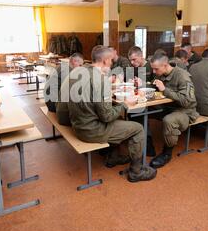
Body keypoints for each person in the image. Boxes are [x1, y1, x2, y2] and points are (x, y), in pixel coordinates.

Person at [66, 46, 156, 182]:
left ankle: (113, 156)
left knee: (118, 118)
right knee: (138, 129)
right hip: (90, 130)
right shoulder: (101, 82)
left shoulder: (78, 72)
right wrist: (126, 104)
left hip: (77, 124)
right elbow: (106, 116)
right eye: (111, 61)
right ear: (105, 61)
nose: (112, 64)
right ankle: (136, 172)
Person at [149, 52, 199, 168]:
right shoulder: (160, 73)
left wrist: (165, 90)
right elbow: (155, 87)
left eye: (156, 69)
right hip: (167, 107)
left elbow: (188, 101)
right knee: (139, 112)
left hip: (185, 111)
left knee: (169, 120)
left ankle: (167, 153)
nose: (154, 72)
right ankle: (147, 144)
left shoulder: (182, 76)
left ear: (165, 65)